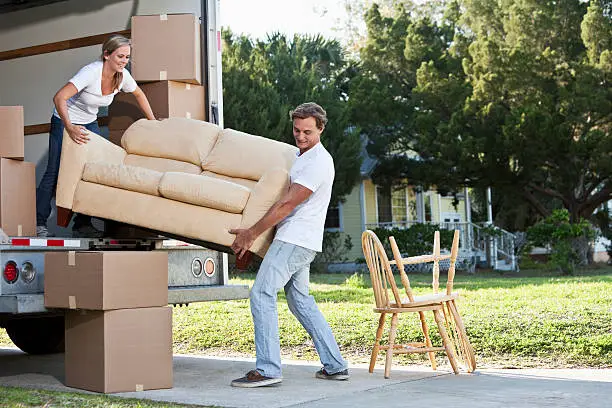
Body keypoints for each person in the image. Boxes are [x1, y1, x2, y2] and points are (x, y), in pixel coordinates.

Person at [229, 102, 349, 388]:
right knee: (300, 301)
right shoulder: (301, 156)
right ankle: (335, 365)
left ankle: (268, 369)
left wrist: (251, 233)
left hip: (295, 239)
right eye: (296, 130)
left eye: (307, 131)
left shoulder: (318, 161)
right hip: (298, 239)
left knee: (261, 293)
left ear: (321, 128)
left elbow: (287, 204)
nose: (301, 135)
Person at [36, 34, 155, 238]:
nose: (124, 62)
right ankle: (39, 223)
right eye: (120, 57)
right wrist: (70, 127)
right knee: (54, 171)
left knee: (92, 171)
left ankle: (82, 224)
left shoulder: (122, 76)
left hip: (89, 122)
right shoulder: (90, 72)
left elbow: (139, 95)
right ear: (106, 54)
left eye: (127, 57)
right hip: (64, 120)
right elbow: (59, 98)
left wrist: (153, 121)